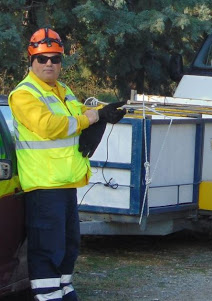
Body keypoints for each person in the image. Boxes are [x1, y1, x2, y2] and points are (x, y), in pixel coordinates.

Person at [8, 28, 126, 301]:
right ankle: (48, 296)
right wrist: (93, 118)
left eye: (55, 58)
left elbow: (80, 116)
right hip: (43, 185)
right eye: (43, 58)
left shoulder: (63, 90)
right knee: (47, 248)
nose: (49, 63)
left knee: (68, 245)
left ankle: (64, 291)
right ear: (31, 61)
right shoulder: (23, 94)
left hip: (66, 182)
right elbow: (50, 126)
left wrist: (104, 112)